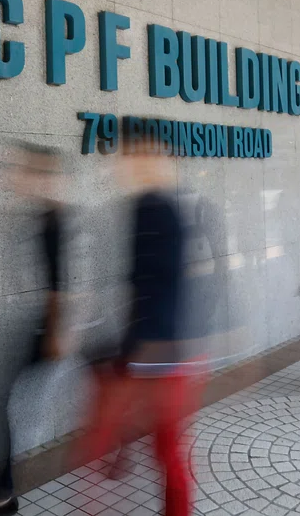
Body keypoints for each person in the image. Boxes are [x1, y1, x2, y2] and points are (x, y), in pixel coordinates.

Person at [77, 136, 197, 516]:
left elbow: (158, 285)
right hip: (155, 345)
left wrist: (134, 349)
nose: (125, 167)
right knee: (163, 446)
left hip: (157, 348)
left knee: (159, 446)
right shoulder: (149, 207)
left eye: (135, 159)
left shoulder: (156, 209)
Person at [0, 142, 67, 516]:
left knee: (1, 407)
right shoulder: (28, 216)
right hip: (19, 327)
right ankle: (3, 491)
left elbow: (59, 285)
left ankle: (3, 494)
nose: (15, 175)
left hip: (33, 332)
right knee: (0, 406)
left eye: (25, 169)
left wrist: (55, 334)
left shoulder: (52, 220)